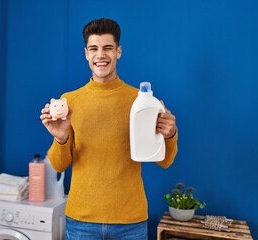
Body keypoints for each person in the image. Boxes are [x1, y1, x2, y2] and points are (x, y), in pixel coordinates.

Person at [40, 18, 178, 240]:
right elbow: (58, 164)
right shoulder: (70, 101)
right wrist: (61, 138)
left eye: (108, 48)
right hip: (81, 221)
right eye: (94, 48)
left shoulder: (140, 101)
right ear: (86, 53)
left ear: (119, 51)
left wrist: (169, 133)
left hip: (130, 222)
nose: (100, 55)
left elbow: (165, 161)